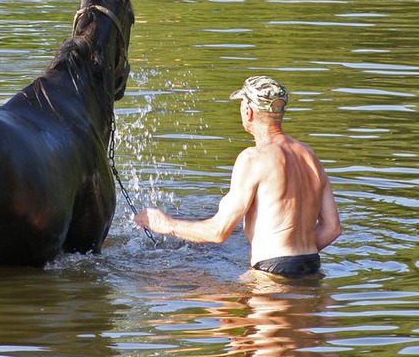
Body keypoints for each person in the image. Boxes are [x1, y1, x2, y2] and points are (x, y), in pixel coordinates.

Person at [135, 76, 341, 279]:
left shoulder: (253, 158)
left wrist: (166, 224)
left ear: (248, 111)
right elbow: (332, 229)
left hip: (270, 272)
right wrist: (294, 258)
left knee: (170, 287)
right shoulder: (309, 155)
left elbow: (219, 232)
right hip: (312, 266)